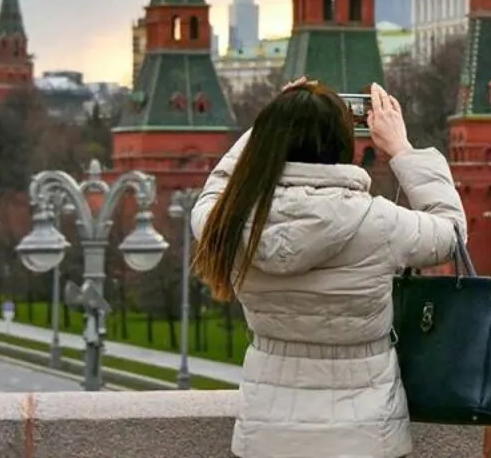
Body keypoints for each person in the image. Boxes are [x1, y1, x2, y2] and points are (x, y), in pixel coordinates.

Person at [191, 79, 466, 458]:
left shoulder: (233, 223)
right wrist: (401, 149)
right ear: (344, 143)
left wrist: (270, 125)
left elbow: (215, 189)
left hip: (268, 439)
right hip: (368, 439)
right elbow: (452, 232)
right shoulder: (378, 221)